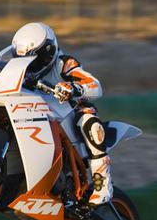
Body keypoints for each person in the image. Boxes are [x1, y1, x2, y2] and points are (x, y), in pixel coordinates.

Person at [12, 22, 113, 206]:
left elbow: (95, 85)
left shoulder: (64, 63)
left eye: (33, 59)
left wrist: (74, 88)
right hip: (37, 110)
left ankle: (103, 183)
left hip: (68, 111)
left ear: (48, 53)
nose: (29, 64)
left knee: (89, 123)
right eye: (22, 59)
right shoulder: (20, 70)